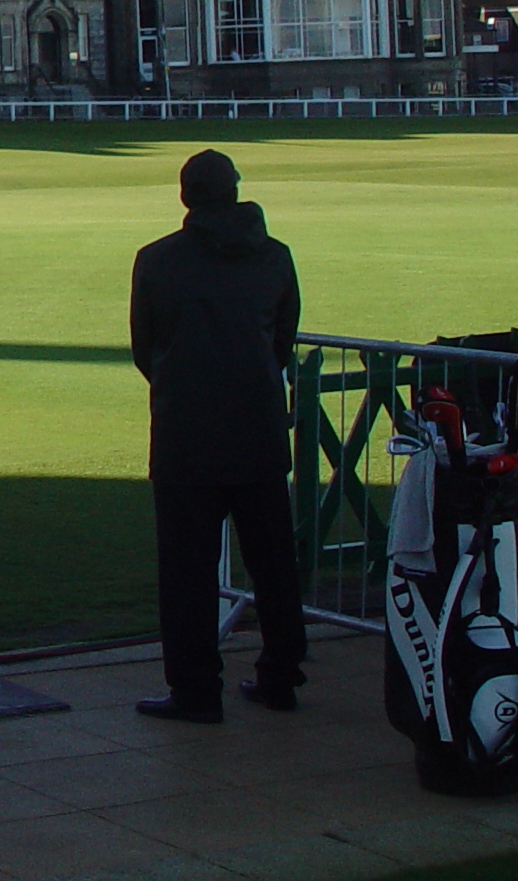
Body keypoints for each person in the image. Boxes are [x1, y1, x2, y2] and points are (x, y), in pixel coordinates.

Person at [128, 148, 308, 723]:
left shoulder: (156, 261)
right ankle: (282, 675)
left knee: (187, 570)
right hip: (257, 425)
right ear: (234, 190)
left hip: (186, 433)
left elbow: (145, 348)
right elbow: (283, 341)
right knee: (274, 561)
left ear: (186, 196)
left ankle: (196, 689)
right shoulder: (275, 257)